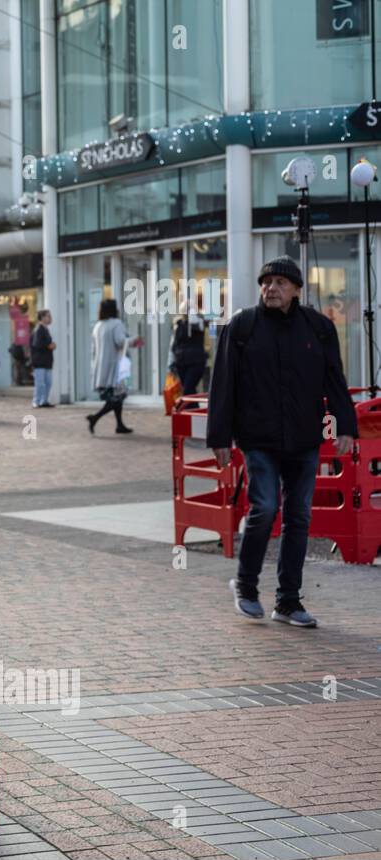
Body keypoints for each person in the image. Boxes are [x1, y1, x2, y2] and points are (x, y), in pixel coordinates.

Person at [207, 256, 358, 629]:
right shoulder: (242, 326)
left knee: (299, 517)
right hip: (257, 438)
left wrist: (345, 425)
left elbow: (334, 379)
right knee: (265, 508)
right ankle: (245, 586)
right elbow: (222, 384)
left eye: (279, 282)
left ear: (295, 290)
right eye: (266, 282)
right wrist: (219, 436)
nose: (270, 288)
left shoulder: (319, 328)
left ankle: (288, 602)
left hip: (305, 438)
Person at [87, 298, 133, 435]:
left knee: (116, 397)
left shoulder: (98, 326)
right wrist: (132, 340)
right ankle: (95, 418)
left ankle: (119, 425)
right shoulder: (116, 323)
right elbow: (120, 341)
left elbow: (93, 349)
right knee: (117, 397)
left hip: (101, 368)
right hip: (115, 366)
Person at [170, 304, 207, 396]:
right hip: (181, 362)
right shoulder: (178, 324)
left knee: (188, 388)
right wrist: (172, 363)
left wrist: (193, 316)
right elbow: (174, 345)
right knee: (188, 390)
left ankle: (191, 409)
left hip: (195, 362)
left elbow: (201, 327)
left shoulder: (198, 322)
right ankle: (193, 409)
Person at [30, 309, 56, 408]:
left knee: (48, 382)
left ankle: (44, 401)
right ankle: (36, 401)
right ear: (42, 317)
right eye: (48, 316)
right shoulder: (39, 329)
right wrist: (49, 346)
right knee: (40, 383)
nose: (50, 318)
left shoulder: (45, 329)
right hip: (39, 361)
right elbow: (37, 344)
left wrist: (51, 345)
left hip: (47, 361)